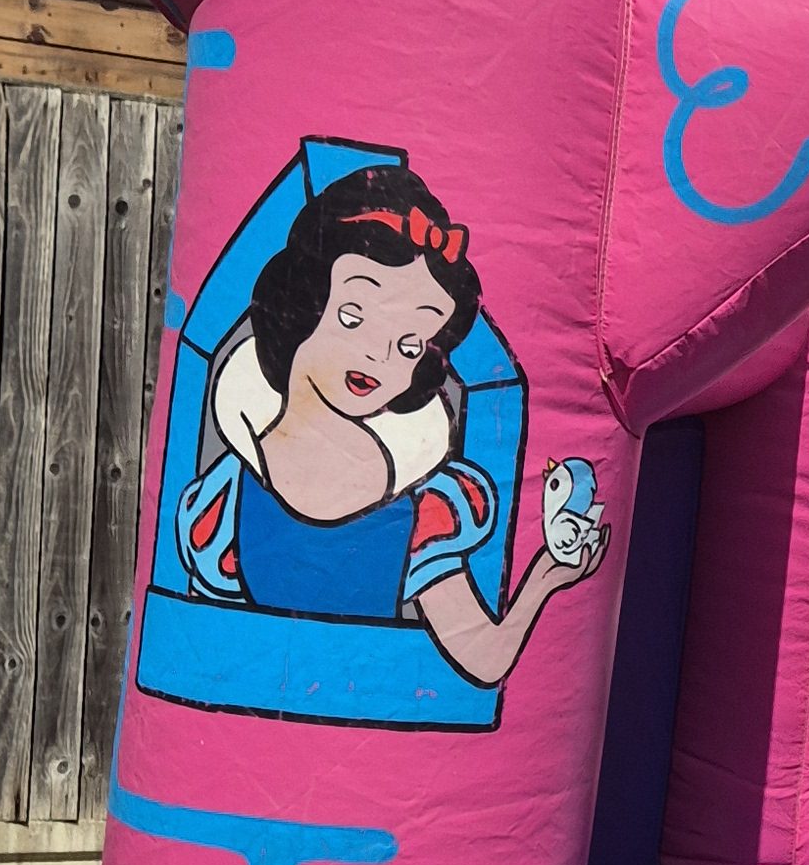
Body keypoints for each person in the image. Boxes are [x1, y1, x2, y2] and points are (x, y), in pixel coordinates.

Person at [177, 163, 605, 687]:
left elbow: (481, 656)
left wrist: (546, 577)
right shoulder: (222, 506)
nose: (379, 356)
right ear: (304, 301)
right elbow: (206, 650)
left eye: (408, 344)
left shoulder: (426, 510)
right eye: (354, 316)